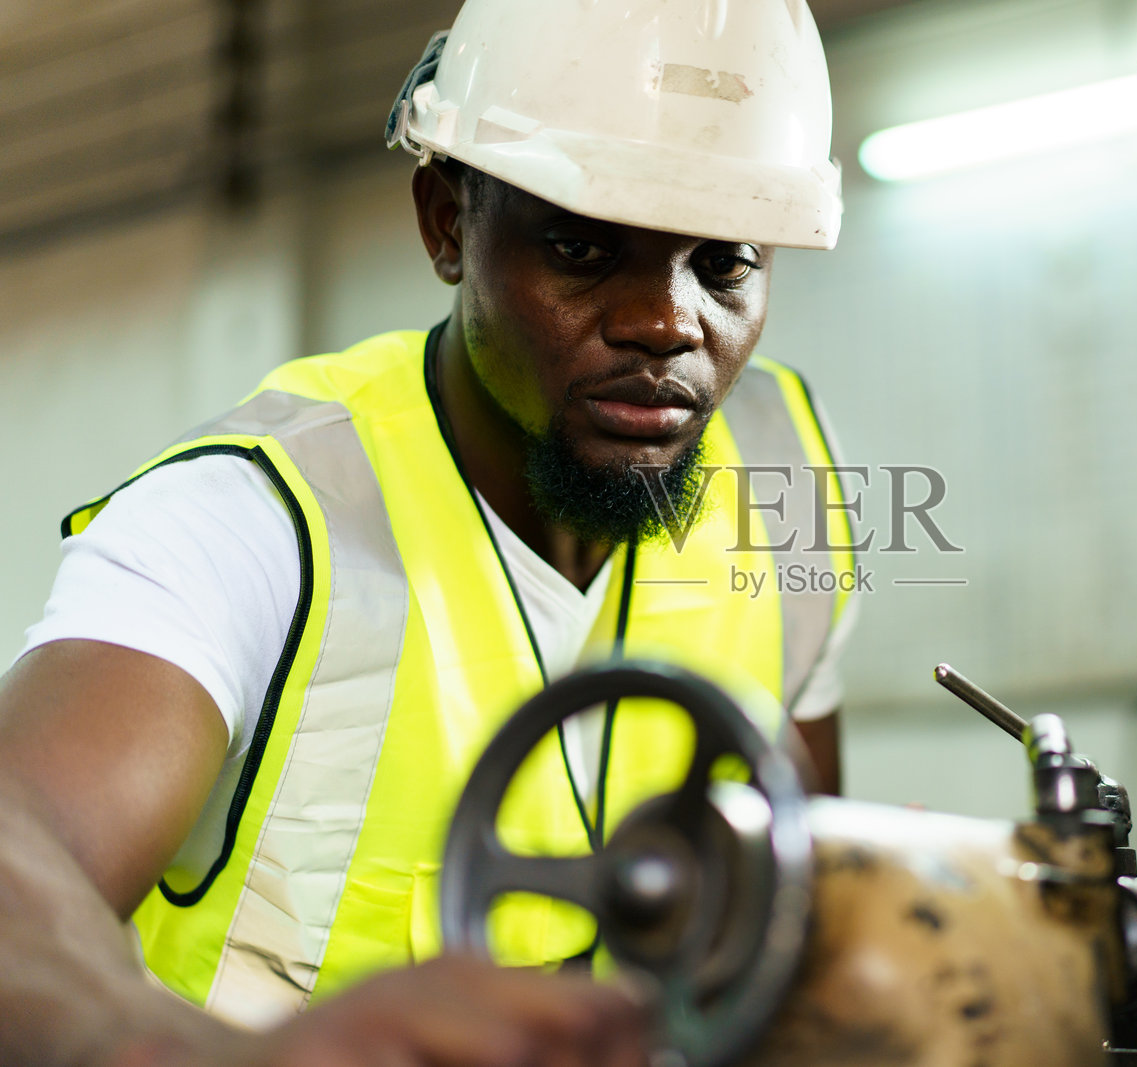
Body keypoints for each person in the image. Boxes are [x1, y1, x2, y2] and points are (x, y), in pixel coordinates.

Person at [0, 0, 855, 1063]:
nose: (666, 322)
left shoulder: (779, 474)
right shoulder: (255, 516)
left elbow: (807, 881)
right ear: (447, 224)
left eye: (724, 262)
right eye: (584, 247)